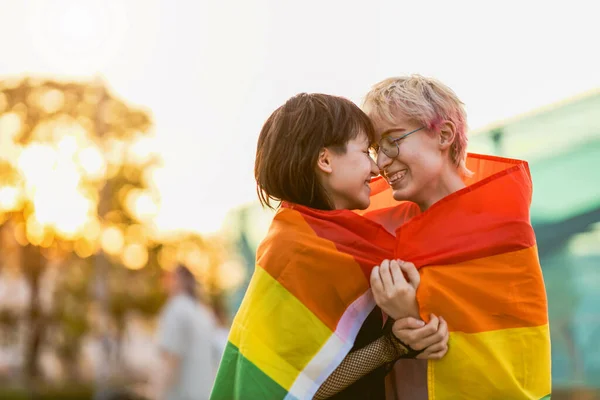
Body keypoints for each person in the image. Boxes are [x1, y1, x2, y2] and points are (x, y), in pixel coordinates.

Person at [211, 93, 448, 400]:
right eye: (365, 152)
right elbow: (292, 389)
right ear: (325, 160)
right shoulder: (294, 250)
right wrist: (390, 346)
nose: (376, 168)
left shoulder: (330, 243)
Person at [363, 75, 551, 399]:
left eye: (393, 141)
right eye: (377, 148)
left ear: (444, 135)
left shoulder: (502, 230)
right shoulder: (380, 235)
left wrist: (411, 311)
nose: (380, 162)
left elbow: (501, 362)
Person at [153, 265, 220, 400]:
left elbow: (171, 359)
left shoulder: (176, 309)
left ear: (178, 281)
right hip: (205, 393)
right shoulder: (204, 313)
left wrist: (156, 393)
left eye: (169, 277)